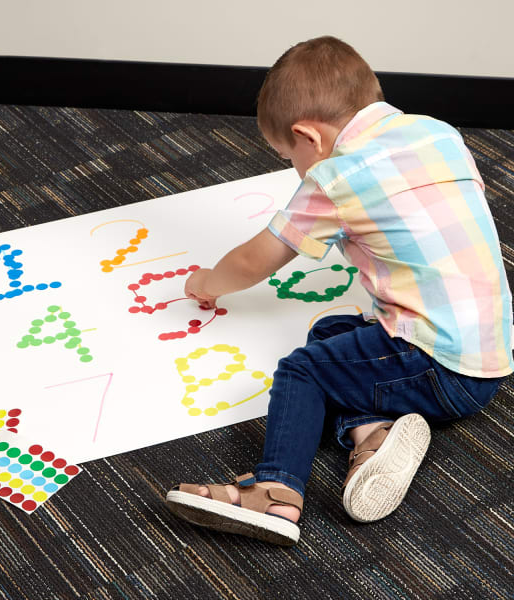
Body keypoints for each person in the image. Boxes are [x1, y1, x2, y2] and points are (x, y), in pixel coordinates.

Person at [165, 36, 513, 546]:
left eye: (288, 156)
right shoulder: (438, 133)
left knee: (303, 370)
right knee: (331, 332)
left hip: (438, 365)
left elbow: (255, 259)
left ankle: (276, 492)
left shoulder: (336, 177)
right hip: (490, 354)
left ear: (309, 137)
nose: (295, 170)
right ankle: (372, 435)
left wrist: (207, 283)